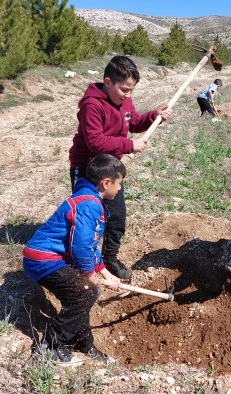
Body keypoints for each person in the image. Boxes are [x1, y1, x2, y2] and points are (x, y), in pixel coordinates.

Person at [68, 56, 172, 281]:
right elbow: (95, 141)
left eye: (131, 90)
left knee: (116, 216)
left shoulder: (124, 101)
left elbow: (133, 121)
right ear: (108, 81)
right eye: (124, 90)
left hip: (112, 168)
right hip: (87, 167)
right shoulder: (92, 105)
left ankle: (109, 258)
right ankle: (80, 261)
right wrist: (130, 146)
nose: (128, 95)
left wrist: (154, 117)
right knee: (86, 217)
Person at [23, 154, 124, 364]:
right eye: (119, 183)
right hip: (44, 259)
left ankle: (82, 343)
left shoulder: (89, 199)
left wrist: (105, 272)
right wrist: (90, 275)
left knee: (80, 295)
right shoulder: (89, 205)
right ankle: (50, 347)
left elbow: (90, 244)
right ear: (106, 183)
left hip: (49, 258)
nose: (120, 189)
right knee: (85, 293)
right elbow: (80, 248)